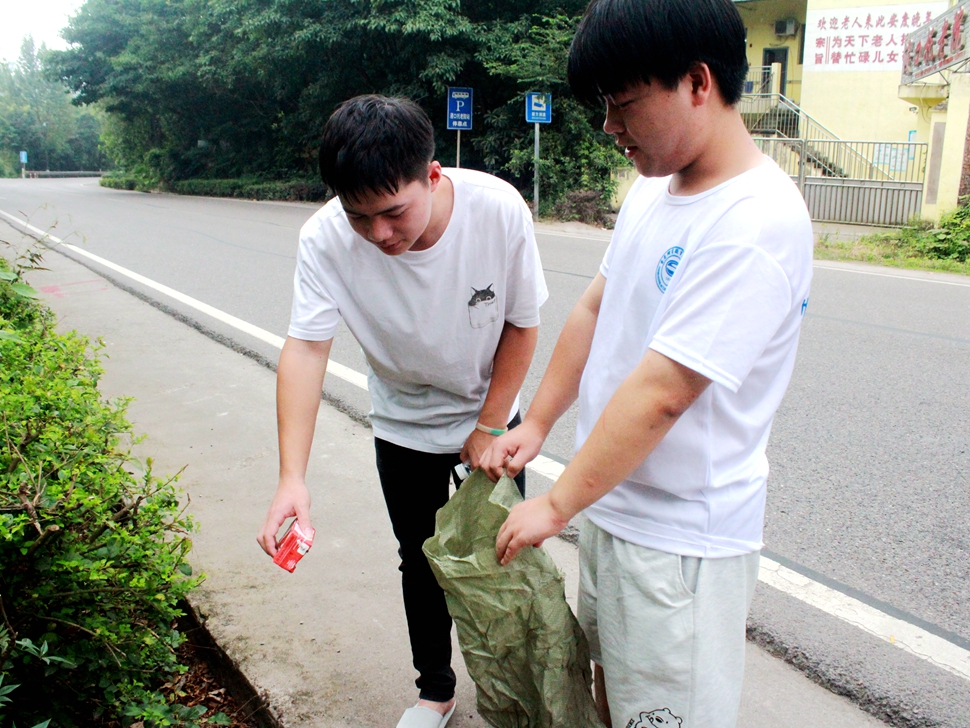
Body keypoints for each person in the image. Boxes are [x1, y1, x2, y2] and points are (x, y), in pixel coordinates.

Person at [481, 1, 813, 726]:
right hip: (617, 509)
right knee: (614, 697)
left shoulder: (755, 220)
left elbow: (664, 392)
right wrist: (536, 424)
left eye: (623, 103)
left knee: (660, 715)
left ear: (697, 82)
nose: (610, 126)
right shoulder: (655, 191)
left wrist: (557, 502)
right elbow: (598, 311)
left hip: (679, 543)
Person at [256, 95, 547, 728]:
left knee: (502, 555)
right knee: (418, 559)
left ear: (433, 175)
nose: (380, 235)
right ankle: (434, 692)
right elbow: (306, 349)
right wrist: (292, 478)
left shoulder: (497, 210)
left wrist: (490, 425)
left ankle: (519, 694)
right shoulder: (326, 238)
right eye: (360, 217)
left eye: (393, 212)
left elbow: (523, 325)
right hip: (403, 422)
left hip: (493, 415)